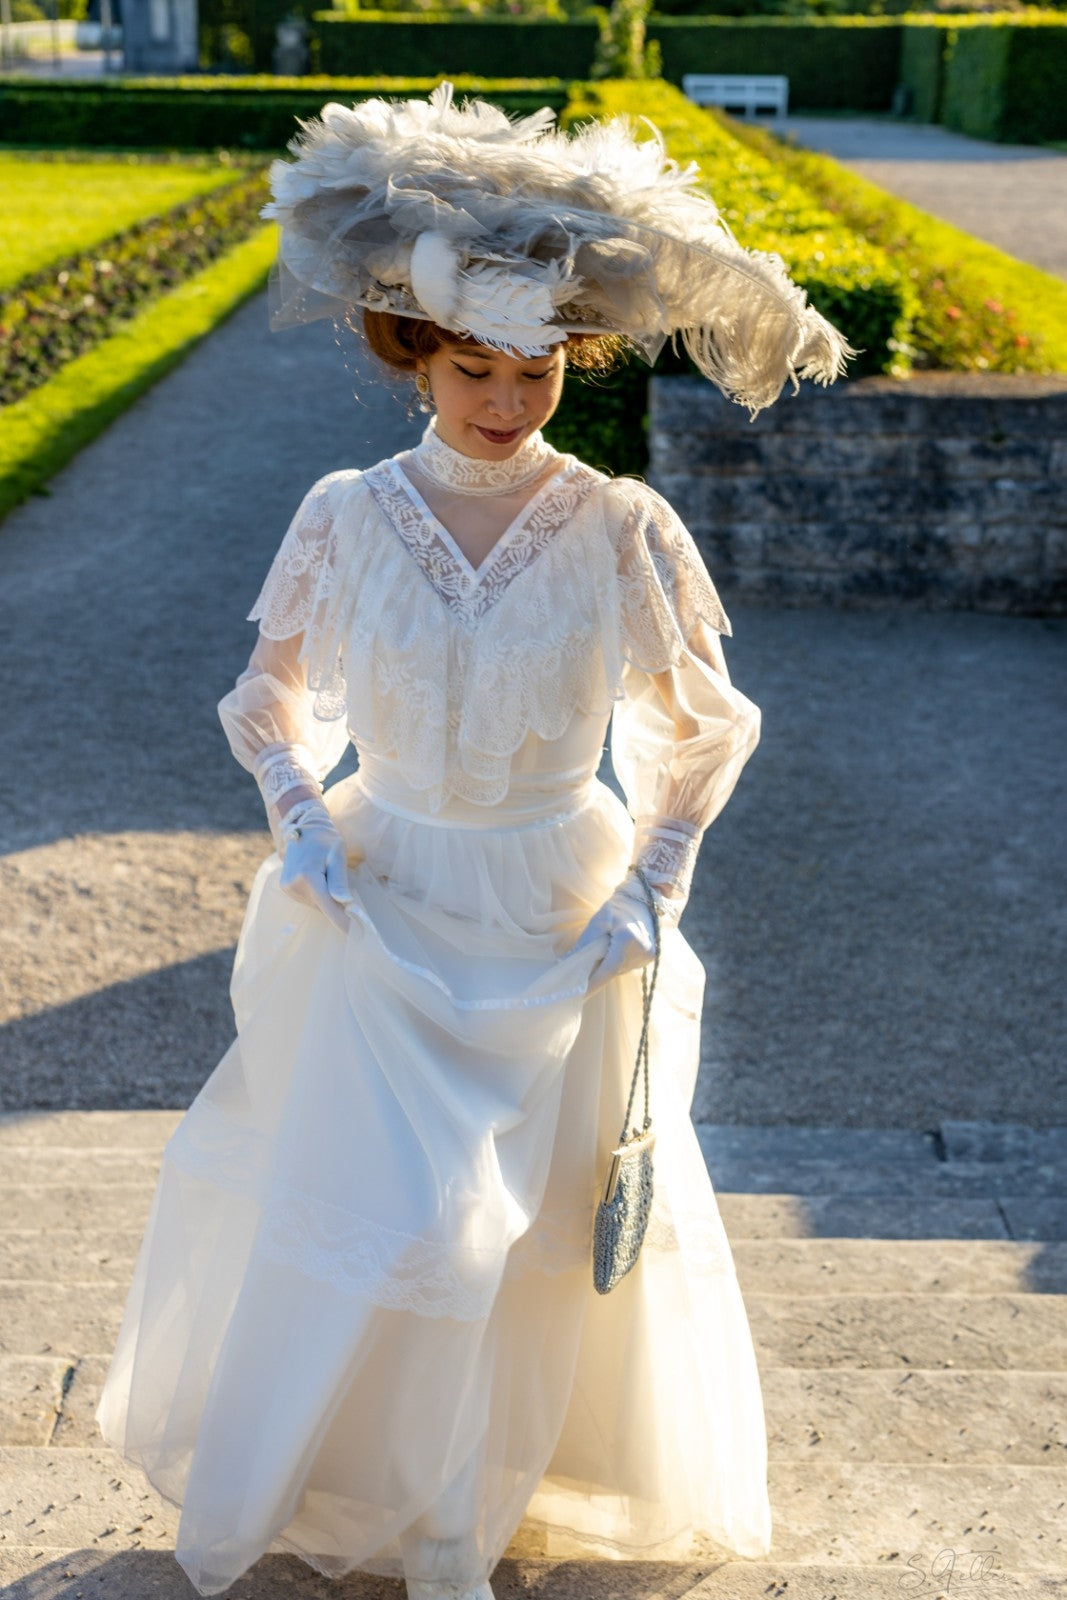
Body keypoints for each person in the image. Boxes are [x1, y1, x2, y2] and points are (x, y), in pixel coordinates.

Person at [96, 83, 850, 1600]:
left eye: (538, 369)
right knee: (387, 1211)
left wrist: (655, 881)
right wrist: (303, 819)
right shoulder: (346, 513)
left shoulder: (627, 525)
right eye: (473, 369)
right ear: (415, 357)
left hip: (562, 902)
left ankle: (486, 1507)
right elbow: (268, 697)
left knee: (535, 1233)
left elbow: (711, 725)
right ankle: (392, 1492)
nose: (507, 400)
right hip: (380, 895)